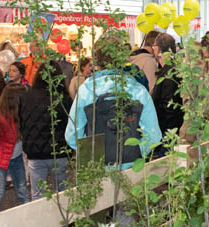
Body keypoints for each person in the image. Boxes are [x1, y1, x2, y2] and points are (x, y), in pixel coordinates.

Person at [65, 32, 161, 165]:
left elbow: (72, 136)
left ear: (96, 60)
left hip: (95, 166)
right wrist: (134, 152)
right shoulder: (138, 90)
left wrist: (92, 153)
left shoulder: (86, 91)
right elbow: (154, 135)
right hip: (130, 166)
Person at [20, 58, 73, 227]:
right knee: (62, 193)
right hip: (59, 152)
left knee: (37, 195)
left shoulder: (27, 97)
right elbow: (69, 125)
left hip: (35, 154)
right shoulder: (63, 98)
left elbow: (23, 123)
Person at [0, 83, 28, 215]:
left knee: (22, 190)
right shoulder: (0, 119)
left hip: (16, 158)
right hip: (1, 161)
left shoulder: (21, 115)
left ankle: (28, 219)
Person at [150, 33, 183, 146]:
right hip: (171, 129)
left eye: (154, 46)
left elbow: (168, 105)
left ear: (158, 49)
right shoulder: (173, 69)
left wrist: (167, 133)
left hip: (168, 132)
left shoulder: (169, 73)